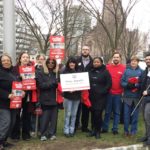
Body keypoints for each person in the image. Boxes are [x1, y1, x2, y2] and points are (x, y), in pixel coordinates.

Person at [11, 52, 36, 140]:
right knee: (16, 114)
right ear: (20, 59)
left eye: (27, 57)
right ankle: (15, 135)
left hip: (28, 94)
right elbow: (12, 81)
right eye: (23, 57)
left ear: (29, 59)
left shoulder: (31, 69)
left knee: (26, 114)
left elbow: (33, 81)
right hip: (17, 94)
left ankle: (26, 135)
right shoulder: (14, 69)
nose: (25, 59)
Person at [0, 54, 21, 149]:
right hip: (2, 103)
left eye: (7, 60)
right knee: (6, 122)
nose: (6, 62)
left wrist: (22, 91)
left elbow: (19, 84)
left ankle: (4, 141)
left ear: (10, 61)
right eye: (3, 60)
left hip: (14, 102)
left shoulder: (15, 71)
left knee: (12, 122)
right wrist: (7, 95)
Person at [102, 51, 126, 135]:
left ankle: (115, 129)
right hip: (109, 93)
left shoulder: (124, 68)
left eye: (117, 57)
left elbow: (125, 80)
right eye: (114, 57)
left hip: (119, 94)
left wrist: (123, 92)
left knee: (117, 112)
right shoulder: (107, 67)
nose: (116, 58)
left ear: (120, 58)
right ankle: (105, 128)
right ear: (112, 58)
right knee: (107, 111)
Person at [88, 57, 112, 139]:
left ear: (101, 63)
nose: (96, 63)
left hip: (101, 97)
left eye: (98, 62)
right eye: (94, 62)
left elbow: (109, 84)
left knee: (98, 114)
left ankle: (98, 131)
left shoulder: (105, 72)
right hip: (91, 96)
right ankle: (93, 130)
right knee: (93, 114)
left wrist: (102, 92)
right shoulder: (90, 72)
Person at [36, 58, 58, 141]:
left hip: (55, 98)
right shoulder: (40, 72)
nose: (51, 64)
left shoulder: (56, 73)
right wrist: (52, 83)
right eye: (49, 62)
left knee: (54, 118)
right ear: (46, 63)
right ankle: (43, 134)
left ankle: (52, 133)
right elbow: (41, 86)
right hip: (45, 98)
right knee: (45, 118)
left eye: (53, 63)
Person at [121, 56, 143, 137]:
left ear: (138, 62)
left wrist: (136, 85)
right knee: (126, 115)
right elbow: (122, 82)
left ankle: (133, 131)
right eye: (132, 61)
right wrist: (127, 85)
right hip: (127, 97)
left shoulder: (141, 71)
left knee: (135, 115)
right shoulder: (126, 71)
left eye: (135, 61)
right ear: (130, 62)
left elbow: (142, 84)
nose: (133, 62)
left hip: (136, 97)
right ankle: (126, 131)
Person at [62, 57, 81, 137]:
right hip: (68, 96)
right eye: (70, 62)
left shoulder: (79, 72)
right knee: (67, 114)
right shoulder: (64, 72)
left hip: (76, 96)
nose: (72, 64)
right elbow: (62, 85)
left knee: (74, 114)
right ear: (68, 63)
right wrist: (67, 89)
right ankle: (66, 130)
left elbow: (82, 84)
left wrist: (77, 88)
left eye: (73, 62)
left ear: (75, 64)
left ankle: (72, 129)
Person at [77, 45, 93, 132]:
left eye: (87, 49)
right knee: (76, 108)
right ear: (81, 50)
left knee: (86, 108)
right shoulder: (76, 60)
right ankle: (75, 125)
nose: (85, 51)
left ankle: (84, 126)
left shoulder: (93, 61)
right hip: (77, 88)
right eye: (84, 49)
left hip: (88, 88)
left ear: (89, 51)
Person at [137, 52, 150, 145]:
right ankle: (146, 136)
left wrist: (148, 92)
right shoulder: (146, 70)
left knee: (148, 117)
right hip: (144, 98)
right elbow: (142, 83)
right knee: (145, 119)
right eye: (146, 60)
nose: (147, 61)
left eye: (149, 59)